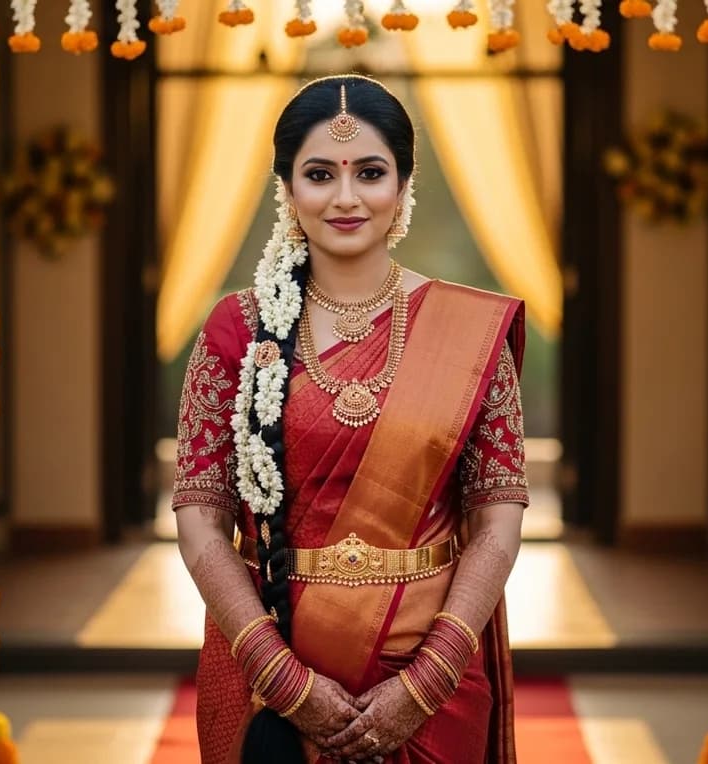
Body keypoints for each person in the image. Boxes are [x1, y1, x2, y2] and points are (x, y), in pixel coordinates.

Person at [172, 74, 528, 764]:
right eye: (318, 174)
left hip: (434, 676)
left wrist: (423, 686)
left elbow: (497, 525)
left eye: (369, 172)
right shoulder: (235, 330)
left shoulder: (467, 332)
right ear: (287, 188)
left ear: (402, 183)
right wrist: (284, 681)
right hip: (271, 673)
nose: (345, 198)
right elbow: (200, 524)